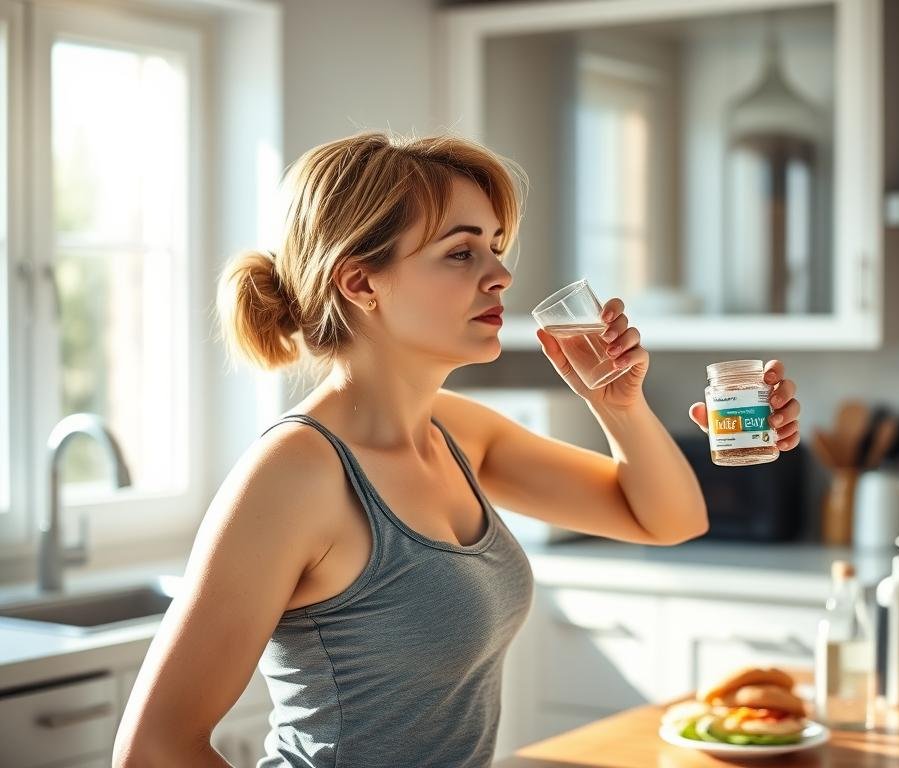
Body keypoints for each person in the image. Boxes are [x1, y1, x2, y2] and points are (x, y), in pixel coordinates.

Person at [113, 130, 802, 767]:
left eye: (497, 246)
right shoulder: (295, 475)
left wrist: (616, 404)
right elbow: (151, 749)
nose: (500, 274)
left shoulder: (456, 434)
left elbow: (669, 520)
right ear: (361, 283)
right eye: (462, 251)